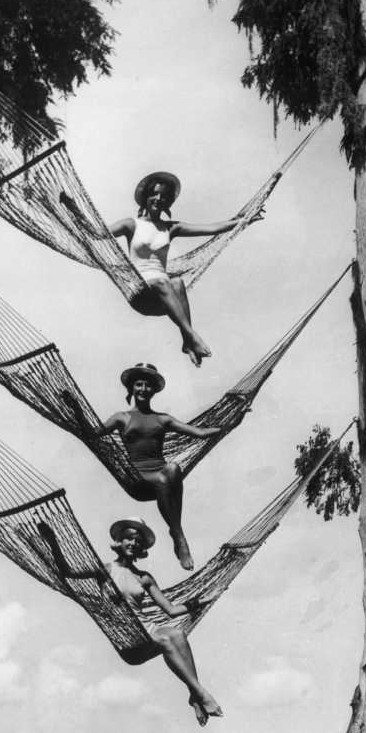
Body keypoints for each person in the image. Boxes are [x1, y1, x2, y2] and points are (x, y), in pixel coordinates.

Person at [109, 172, 263, 366]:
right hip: (140, 295)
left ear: (168, 203)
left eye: (164, 196)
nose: (159, 199)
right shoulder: (130, 224)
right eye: (155, 194)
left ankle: (187, 342)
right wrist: (73, 208)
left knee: (178, 281)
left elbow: (212, 228)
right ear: (146, 197)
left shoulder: (171, 228)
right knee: (163, 281)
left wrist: (245, 220)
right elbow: (99, 233)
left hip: (163, 300)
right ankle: (192, 336)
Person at [100, 363, 243, 571]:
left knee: (174, 467)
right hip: (136, 480)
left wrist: (232, 422)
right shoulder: (121, 418)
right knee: (162, 478)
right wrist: (75, 409)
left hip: (161, 478)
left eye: (148, 386)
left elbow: (200, 433)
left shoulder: (162, 419)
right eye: (138, 385)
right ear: (131, 388)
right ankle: (179, 537)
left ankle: (176, 532)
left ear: (154, 391)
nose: (143, 389)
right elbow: (92, 432)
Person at [106, 516, 221, 726]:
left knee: (178, 633)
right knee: (166, 640)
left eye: (138, 541)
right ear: (120, 541)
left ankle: (194, 696)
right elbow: (67, 572)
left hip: (149, 629)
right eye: (129, 539)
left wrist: (201, 601)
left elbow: (171, 610)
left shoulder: (144, 577)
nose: (133, 544)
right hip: (129, 637)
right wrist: (51, 542)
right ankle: (202, 693)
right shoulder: (105, 570)